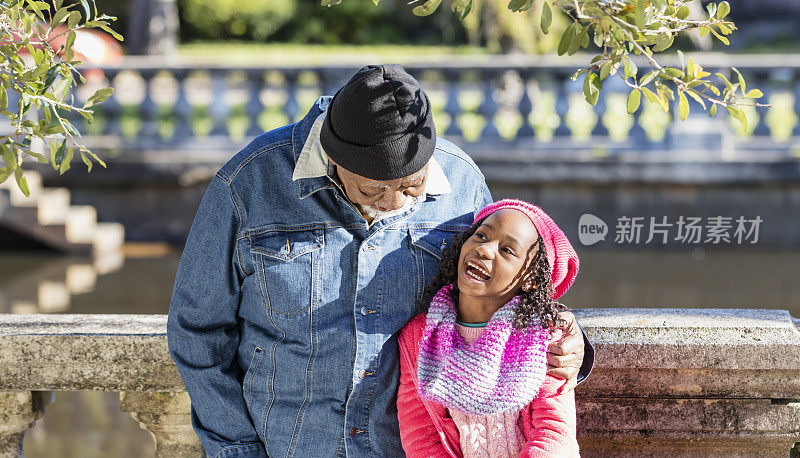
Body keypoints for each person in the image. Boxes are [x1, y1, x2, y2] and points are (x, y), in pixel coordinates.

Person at [167, 64, 593, 458]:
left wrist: (571, 343)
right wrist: (237, 450)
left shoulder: (462, 184)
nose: (392, 202)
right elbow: (197, 330)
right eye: (372, 190)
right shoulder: (249, 184)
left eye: (411, 187)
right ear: (333, 159)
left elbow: (504, 295)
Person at [397, 199, 581, 457]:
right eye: (481, 235)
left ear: (530, 280)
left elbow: (554, 432)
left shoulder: (544, 337)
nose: (484, 250)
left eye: (507, 250)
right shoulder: (421, 336)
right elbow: (420, 432)